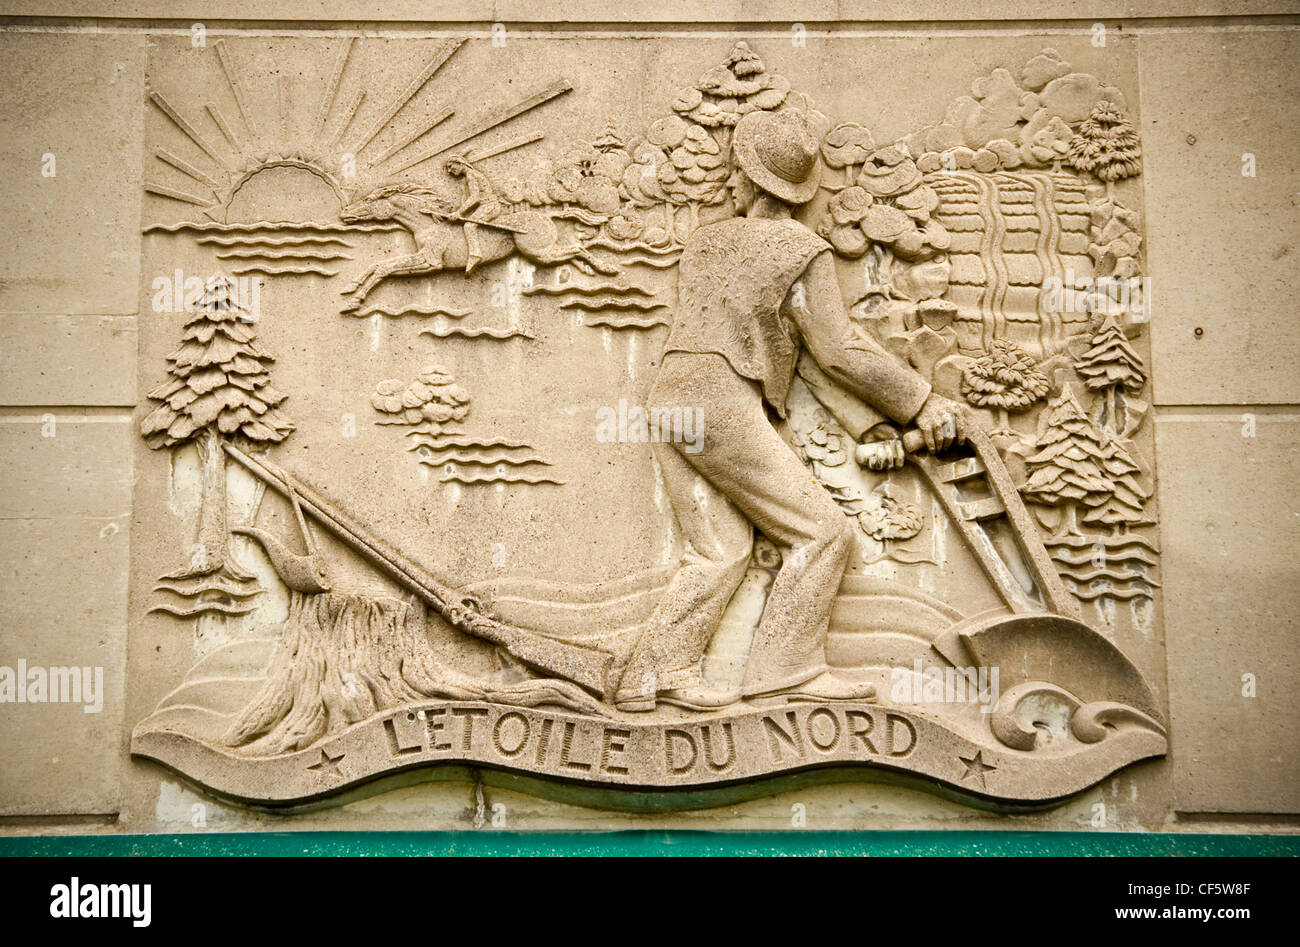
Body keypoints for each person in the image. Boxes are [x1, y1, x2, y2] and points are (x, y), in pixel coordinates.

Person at [614, 108, 967, 712]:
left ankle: (651, 675)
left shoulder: (708, 241)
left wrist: (870, 423)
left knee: (718, 551)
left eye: (737, 173)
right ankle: (785, 670)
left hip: (672, 395)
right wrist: (922, 400)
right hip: (721, 398)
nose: (728, 182)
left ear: (754, 182)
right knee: (822, 532)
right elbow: (836, 351)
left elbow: (794, 351)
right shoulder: (800, 249)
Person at [445, 154, 503, 275]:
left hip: (489, 206)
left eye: (451, 166)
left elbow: (475, 198)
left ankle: (475, 254)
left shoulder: (471, 175)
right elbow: (466, 199)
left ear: (459, 162)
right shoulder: (466, 178)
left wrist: (459, 213)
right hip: (483, 206)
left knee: (469, 225)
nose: (450, 171)